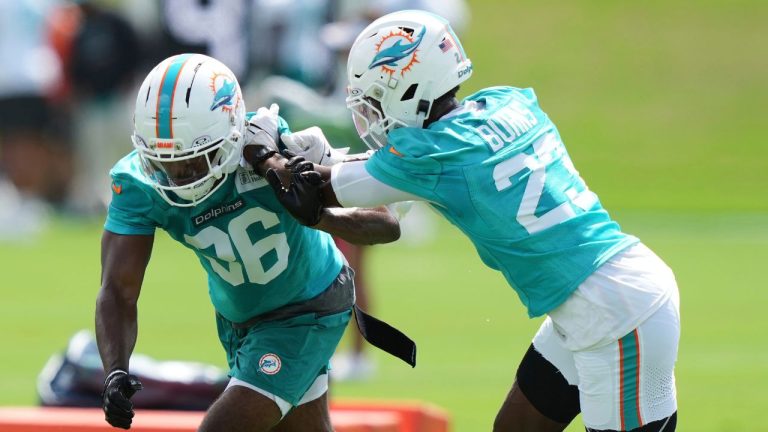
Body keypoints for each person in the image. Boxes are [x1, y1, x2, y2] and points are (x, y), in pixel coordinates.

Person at [257, 10, 681, 432]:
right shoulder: (506, 101)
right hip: (603, 295)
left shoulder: (431, 156)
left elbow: (312, 190)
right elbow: (401, 185)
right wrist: (325, 165)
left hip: (614, 314)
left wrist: (265, 153)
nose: (370, 113)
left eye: (374, 100)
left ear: (407, 89)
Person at [95, 53, 403, 431]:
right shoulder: (138, 183)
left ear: (229, 136)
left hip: (310, 305)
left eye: (192, 161)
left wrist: (317, 214)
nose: (177, 177)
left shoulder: (269, 147)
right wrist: (115, 370)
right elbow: (118, 289)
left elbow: (385, 222)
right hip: (238, 322)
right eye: (164, 163)